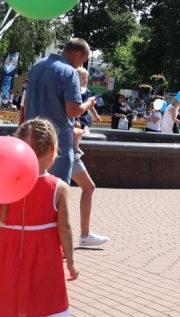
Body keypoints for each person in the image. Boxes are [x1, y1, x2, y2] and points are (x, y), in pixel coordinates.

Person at [0, 118, 77, 317]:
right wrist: (71, 261)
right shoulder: (58, 187)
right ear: (53, 151)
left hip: (8, 255)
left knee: (9, 303)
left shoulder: (8, 183)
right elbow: (65, 228)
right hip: (44, 257)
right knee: (44, 304)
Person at [24, 38, 95, 184]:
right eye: (83, 60)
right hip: (57, 145)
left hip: (31, 139)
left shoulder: (37, 66)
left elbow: (26, 103)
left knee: (31, 189)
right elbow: (74, 110)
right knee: (55, 193)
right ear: (77, 54)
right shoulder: (69, 72)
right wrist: (89, 103)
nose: (80, 65)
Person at [71, 67, 109, 248]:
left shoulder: (79, 94)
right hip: (66, 152)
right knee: (85, 187)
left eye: (85, 79)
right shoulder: (72, 95)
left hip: (71, 151)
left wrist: (92, 116)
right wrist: (79, 129)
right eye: (82, 78)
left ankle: (84, 235)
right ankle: (81, 235)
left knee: (88, 187)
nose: (84, 82)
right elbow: (75, 114)